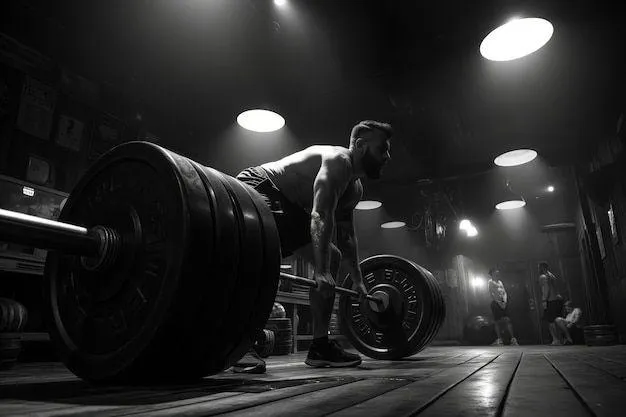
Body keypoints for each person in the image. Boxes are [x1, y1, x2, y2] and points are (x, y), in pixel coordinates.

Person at [232, 120, 393, 373]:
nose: (387, 156)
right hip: (259, 185)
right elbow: (319, 216)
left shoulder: (355, 188)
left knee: (335, 256)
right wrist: (320, 271)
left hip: (287, 205)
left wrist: (358, 280)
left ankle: (320, 346)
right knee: (265, 255)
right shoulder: (338, 161)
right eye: (382, 149)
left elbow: (347, 235)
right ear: (361, 146)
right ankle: (239, 346)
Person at [487, 267, 519, 346]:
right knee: (497, 321)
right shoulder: (490, 282)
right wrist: (498, 302)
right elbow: (491, 293)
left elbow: (504, 292)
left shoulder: (500, 282)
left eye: (498, 273)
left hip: (503, 303)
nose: (498, 274)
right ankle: (499, 340)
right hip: (495, 303)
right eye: (496, 273)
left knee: (507, 320)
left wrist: (504, 301)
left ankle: (513, 339)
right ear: (492, 274)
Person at [538, 261, 564, 345]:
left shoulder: (543, 276)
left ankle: (556, 339)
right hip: (557, 300)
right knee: (557, 320)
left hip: (550, 300)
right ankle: (561, 339)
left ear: (542, 268)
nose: (538, 269)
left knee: (550, 321)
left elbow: (546, 289)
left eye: (539, 267)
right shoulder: (552, 275)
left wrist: (544, 300)